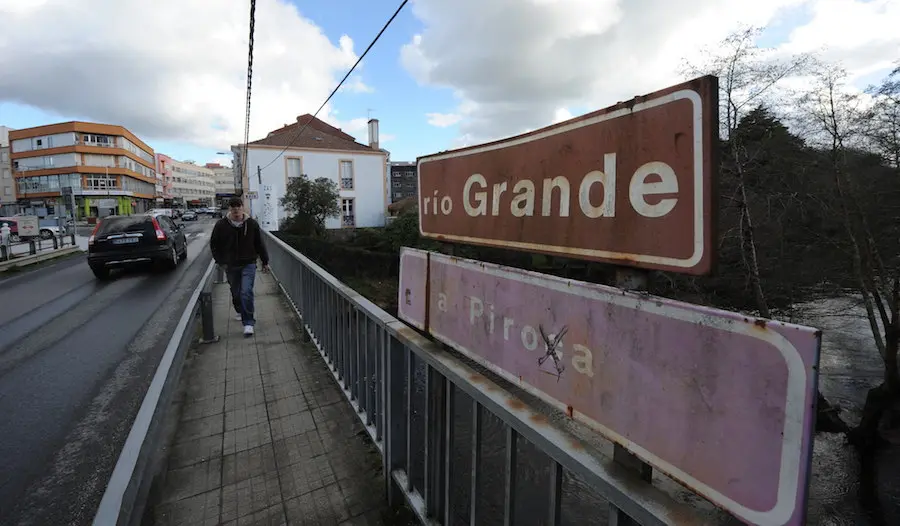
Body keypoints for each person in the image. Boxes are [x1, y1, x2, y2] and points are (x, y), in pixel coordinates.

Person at [210, 197, 269, 336]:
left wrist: (265, 261)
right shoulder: (221, 225)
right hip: (230, 265)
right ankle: (240, 309)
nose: (236, 210)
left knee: (246, 291)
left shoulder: (252, 224)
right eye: (233, 208)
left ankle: (248, 323)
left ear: (242, 208)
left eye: (238, 207)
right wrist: (220, 261)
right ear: (230, 209)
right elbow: (214, 244)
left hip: (248, 263)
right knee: (236, 293)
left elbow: (259, 243)